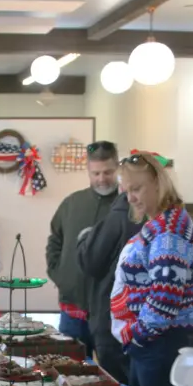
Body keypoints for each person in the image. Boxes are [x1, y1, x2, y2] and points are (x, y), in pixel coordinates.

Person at [110, 151, 193, 386]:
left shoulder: (168, 231)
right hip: (160, 340)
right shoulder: (164, 222)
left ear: (159, 182)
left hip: (164, 341)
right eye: (126, 190)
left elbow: (165, 300)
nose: (130, 198)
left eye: (136, 188)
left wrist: (137, 338)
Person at [47, 141, 120, 357]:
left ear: (117, 168)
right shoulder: (72, 203)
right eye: (95, 173)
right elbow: (55, 239)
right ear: (88, 171)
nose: (101, 178)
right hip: (72, 309)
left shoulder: (127, 205)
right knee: (69, 372)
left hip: (111, 313)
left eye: (108, 172)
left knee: (114, 378)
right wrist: (59, 274)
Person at [76, 181, 138, 385]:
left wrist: (85, 239)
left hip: (112, 317)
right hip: (144, 324)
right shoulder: (164, 220)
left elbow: (91, 261)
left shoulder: (118, 217)